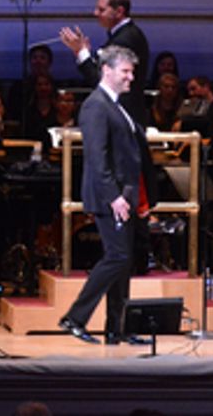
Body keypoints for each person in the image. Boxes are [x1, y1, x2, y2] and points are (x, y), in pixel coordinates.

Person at [58, 46, 151, 345]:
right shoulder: (96, 106)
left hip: (123, 194)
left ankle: (117, 328)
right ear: (106, 70)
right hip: (110, 196)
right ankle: (74, 318)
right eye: (125, 71)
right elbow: (98, 159)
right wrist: (114, 197)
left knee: (123, 261)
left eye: (132, 72)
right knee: (117, 257)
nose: (131, 77)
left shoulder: (115, 104)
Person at [59, 0, 151, 125]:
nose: (95, 13)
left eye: (101, 10)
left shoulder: (125, 39)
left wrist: (81, 52)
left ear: (119, 11)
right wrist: (85, 53)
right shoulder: (124, 35)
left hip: (123, 120)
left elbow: (102, 82)